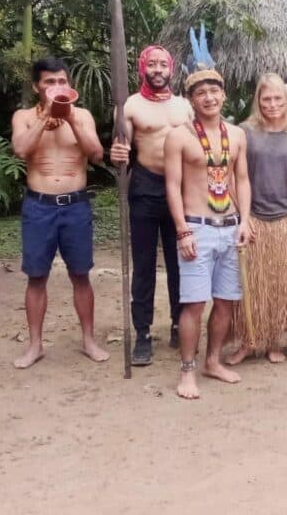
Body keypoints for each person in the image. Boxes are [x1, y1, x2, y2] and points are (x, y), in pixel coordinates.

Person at [164, 32, 251, 399]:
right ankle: (187, 370)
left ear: (223, 93)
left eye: (214, 90)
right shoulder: (179, 137)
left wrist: (245, 221)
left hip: (229, 227)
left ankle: (212, 360)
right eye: (201, 92)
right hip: (197, 228)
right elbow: (172, 186)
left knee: (227, 300)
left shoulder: (237, 135)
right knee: (195, 304)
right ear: (191, 99)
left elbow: (242, 179)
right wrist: (182, 230)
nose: (209, 97)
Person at [10, 57, 108, 369]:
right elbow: (22, 150)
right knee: (36, 277)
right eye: (49, 82)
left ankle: (89, 340)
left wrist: (69, 119)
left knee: (81, 274)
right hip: (39, 206)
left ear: (70, 84)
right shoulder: (24, 117)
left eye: (61, 82)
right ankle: (35, 345)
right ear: (37, 86)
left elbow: (96, 153)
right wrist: (47, 117)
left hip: (75, 205)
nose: (56, 87)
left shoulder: (83, 115)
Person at [109, 45, 192, 365]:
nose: (158, 70)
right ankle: (142, 334)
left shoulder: (184, 106)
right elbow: (121, 150)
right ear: (142, 67)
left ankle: (177, 323)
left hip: (181, 189)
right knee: (143, 265)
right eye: (152, 64)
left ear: (171, 69)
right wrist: (117, 153)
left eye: (163, 65)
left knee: (180, 263)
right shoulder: (129, 106)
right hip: (145, 187)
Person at [225, 73, 287, 365]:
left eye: (278, 98)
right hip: (255, 219)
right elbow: (233, 177)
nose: (272, 104)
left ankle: (274, 340)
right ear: (258, 101)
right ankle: (248, 341)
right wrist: (243, 215)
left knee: (279, 286)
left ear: (285, 100)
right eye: (266, 99)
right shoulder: (244, 132)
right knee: (249, 286)